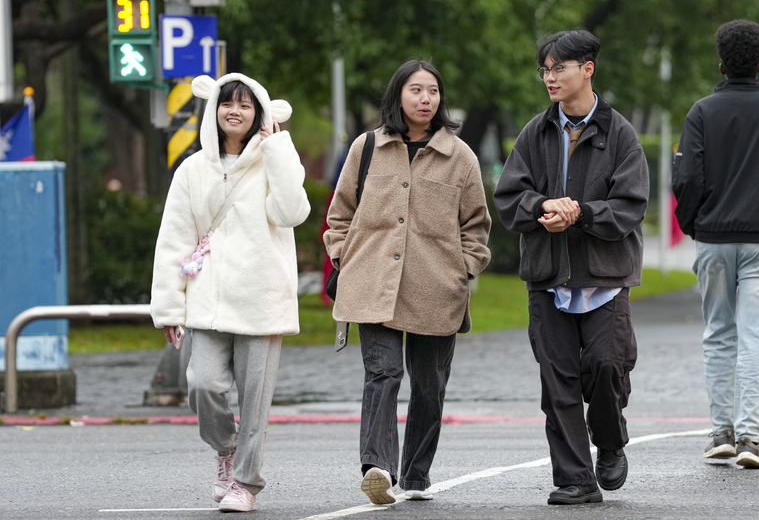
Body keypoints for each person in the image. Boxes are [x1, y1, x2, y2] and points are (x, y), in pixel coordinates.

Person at [324, 59, 491, 504]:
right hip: (370, 283)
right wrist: (345, 255)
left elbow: (476, 227)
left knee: (429, 383)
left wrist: (464, 270)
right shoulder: (366, 148)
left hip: (437, 290)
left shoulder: (461, 157)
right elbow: (340, 213)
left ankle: (416, 474)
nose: (425, 99)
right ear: (398, 95)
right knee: (384, 371)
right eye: (416, 90)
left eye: (433, 91)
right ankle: (377, 466)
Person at [493, 29, 649, 505]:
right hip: (547, 278)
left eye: (560, 67)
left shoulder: (619, 132)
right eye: (545, 69)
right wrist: (544, 207)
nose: (550, 77)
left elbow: (630, 204)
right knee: (557, 380)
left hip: (604, 278)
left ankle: (610, 438)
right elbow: (508, 198)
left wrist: (580, 212)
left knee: (605, 366)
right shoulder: (535, 133)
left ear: (588, 69)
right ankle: (576, 479)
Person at [150, 73, 310, 512]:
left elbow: (292, 212)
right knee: (202, 386)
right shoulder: (193, 169)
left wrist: (276, 147)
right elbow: (174, 238)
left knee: (255, 401)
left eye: (245, 104)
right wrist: (168, 306)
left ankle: (246, 484)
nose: (234, 111)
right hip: (208, 299)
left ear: (260, 111)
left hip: (262, 297)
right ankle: (227, 449)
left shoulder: (277, 158)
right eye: (226, 103)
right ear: (214, 110)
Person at [673, 19, 759, 470]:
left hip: (714, 237)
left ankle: (720, 432)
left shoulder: (702, 111)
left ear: (721, 64)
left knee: (718, 335)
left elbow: (687, 177)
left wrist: (692, 223)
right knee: (756, 338)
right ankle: (750, 436)